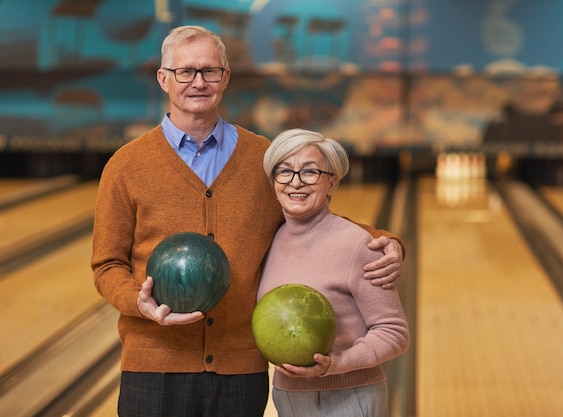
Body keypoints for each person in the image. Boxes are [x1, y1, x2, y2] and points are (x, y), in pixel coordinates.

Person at [91, 25, 404, 417]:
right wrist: (138, 303)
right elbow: (107, 264)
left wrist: (384, 239)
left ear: (226, 78)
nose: (198, 82)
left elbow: (310, 209)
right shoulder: (126, 165)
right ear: (163, 78)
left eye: (210, 71)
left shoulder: (264, 157)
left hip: (240, 369)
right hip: (154, 362)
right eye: (185, 71)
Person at [259, 128, 410, 417]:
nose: (296, 182)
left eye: (310, 172)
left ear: (332, 182)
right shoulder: (270, 240)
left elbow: (395, 333)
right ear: (273, 182)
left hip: (349, 397)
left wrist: (336, 364)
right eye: (285, 171)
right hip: (287, 396)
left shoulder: (358, 245)